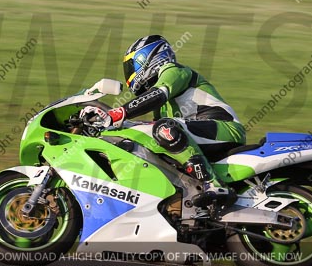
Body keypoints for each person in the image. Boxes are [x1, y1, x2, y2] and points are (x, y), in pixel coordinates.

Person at [79, 35, 246, 210]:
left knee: (165, 128)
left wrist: (117, 113)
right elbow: (151, 127)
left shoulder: (174, 71)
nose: (129, 73)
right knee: (156, 136)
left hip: (224, 128)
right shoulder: (162, 105)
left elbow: (157, 94)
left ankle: (214, 185)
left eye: (131, 65)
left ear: (149, 57)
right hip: (202, 134)